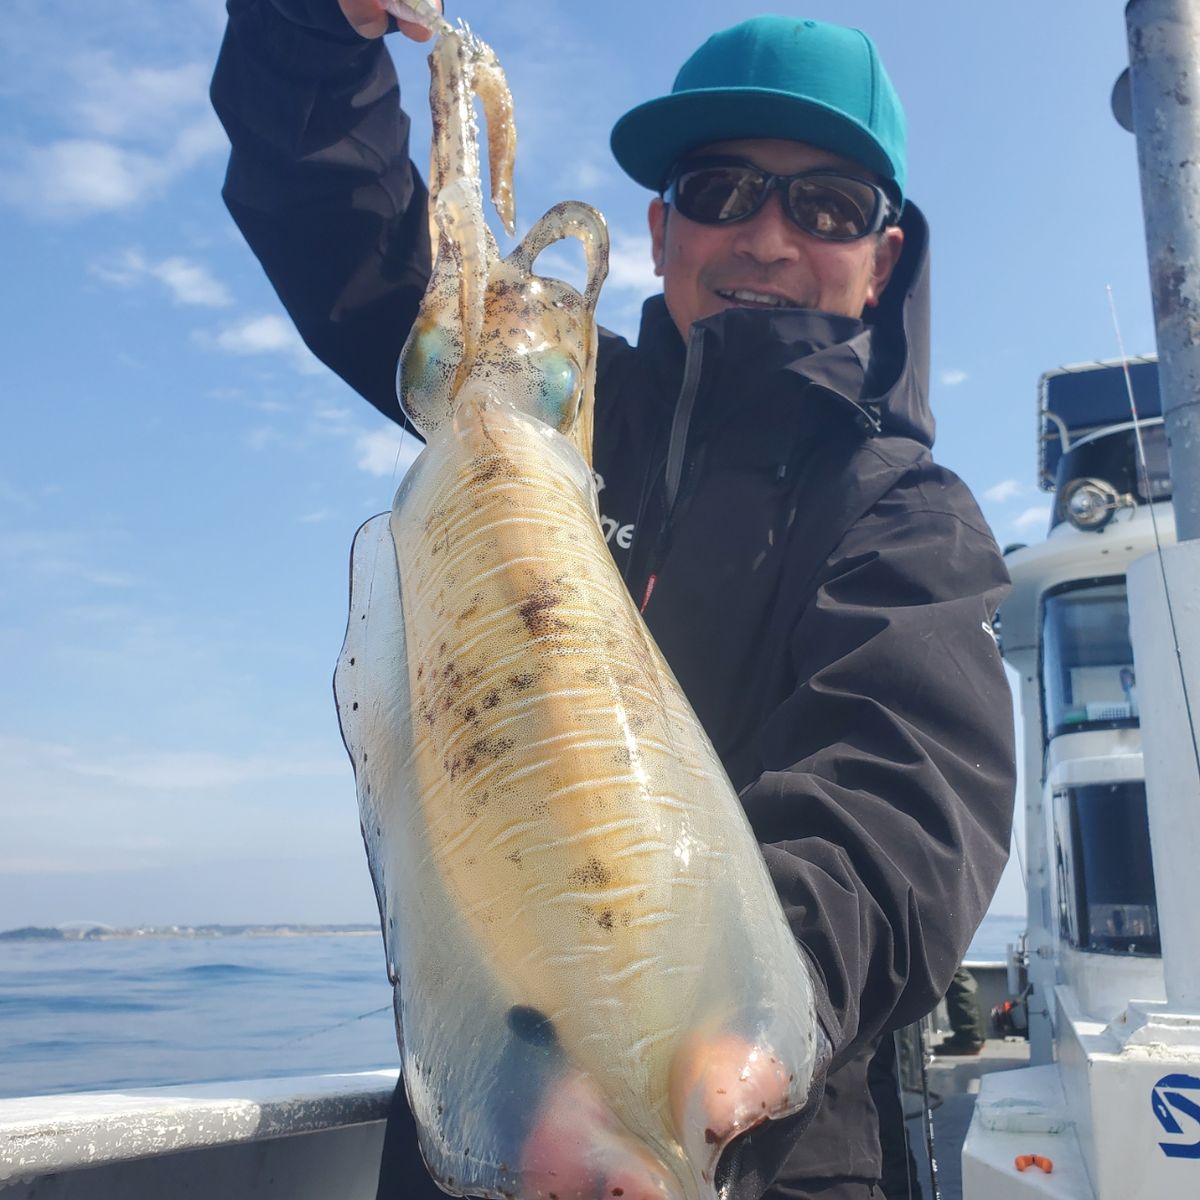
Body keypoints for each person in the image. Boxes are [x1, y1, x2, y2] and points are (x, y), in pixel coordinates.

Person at [211, 3, 1016, 1197]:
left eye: (828, 207)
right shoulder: (545, 410)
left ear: (881, 259)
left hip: (759, 1148)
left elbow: (900, 799)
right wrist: (311, 31)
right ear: (657, 227)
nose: (769, 238)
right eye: (722, 191)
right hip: (481, 1123)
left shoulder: (904, 513)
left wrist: (709, 1034)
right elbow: (353, 235)